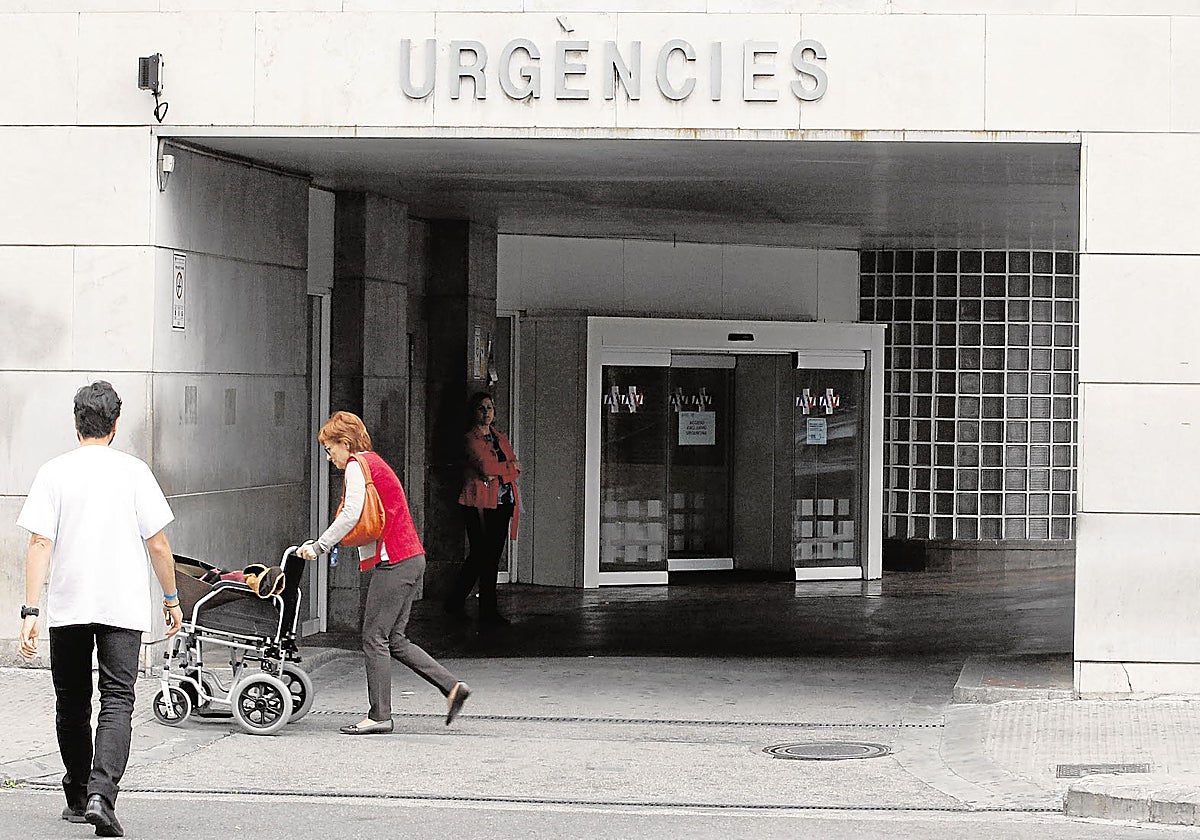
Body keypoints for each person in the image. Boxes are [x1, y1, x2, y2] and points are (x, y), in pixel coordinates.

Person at [17, 381, 182, 838]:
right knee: (117, 699)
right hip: (122, 606)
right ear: (116, 423)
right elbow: (158, 543)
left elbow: (39, 542)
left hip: (69, 605)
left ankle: (77, 795)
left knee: (72, 701)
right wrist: (172, 598)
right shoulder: (134, 472)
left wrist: (30, 610)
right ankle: (101, 796)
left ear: (76, 421)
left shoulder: (53, 472)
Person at [297, 411, 470, 734]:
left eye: (330, 449)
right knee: (394, 639)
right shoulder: (373, 462)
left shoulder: (356, 465)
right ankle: (452, 687)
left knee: (374, 637)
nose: (329, 456)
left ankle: (379, 716)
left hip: (396, 562)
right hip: (411, 557)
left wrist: (320, 547)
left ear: (344, 443)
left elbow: (351, 514)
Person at [445, 391, 521, 627]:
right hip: (479, 502)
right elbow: (487, 470)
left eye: (490, 407)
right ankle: (480, 608)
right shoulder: (471, 439)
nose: (487, 412)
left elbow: (516, 467)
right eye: (482, 408)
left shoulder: (500, 437)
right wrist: (508, 468)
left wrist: (504, 469)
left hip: (503, 502)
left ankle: (458, 601)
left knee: (489, 556)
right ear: (474, 412)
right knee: (482, 555)